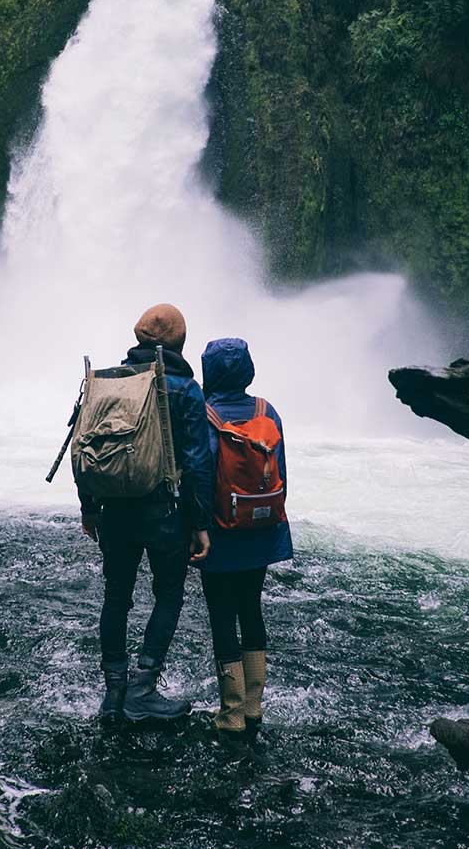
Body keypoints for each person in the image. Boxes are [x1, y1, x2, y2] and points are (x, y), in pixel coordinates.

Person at [79, 303, 214, 723]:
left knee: (116, 595)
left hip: (114, 509)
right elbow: (196, 462)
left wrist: (89, 508)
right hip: (163, 511)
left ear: (139, 338)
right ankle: (142, 687)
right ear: (180, 343)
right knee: (168, 594)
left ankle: (112, 693)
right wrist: (201, 523)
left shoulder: (111, 382)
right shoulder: (184, 389)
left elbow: (86, 446)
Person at [197, 338, 293, 733]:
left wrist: (197, 528)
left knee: (222, 614)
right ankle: (254, 707)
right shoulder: (266, 411)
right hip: (261, 527)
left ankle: (231, 713)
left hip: (221, 533)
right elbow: (281, 468)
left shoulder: (206, 415)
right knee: (251, 608)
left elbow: (201, 478)